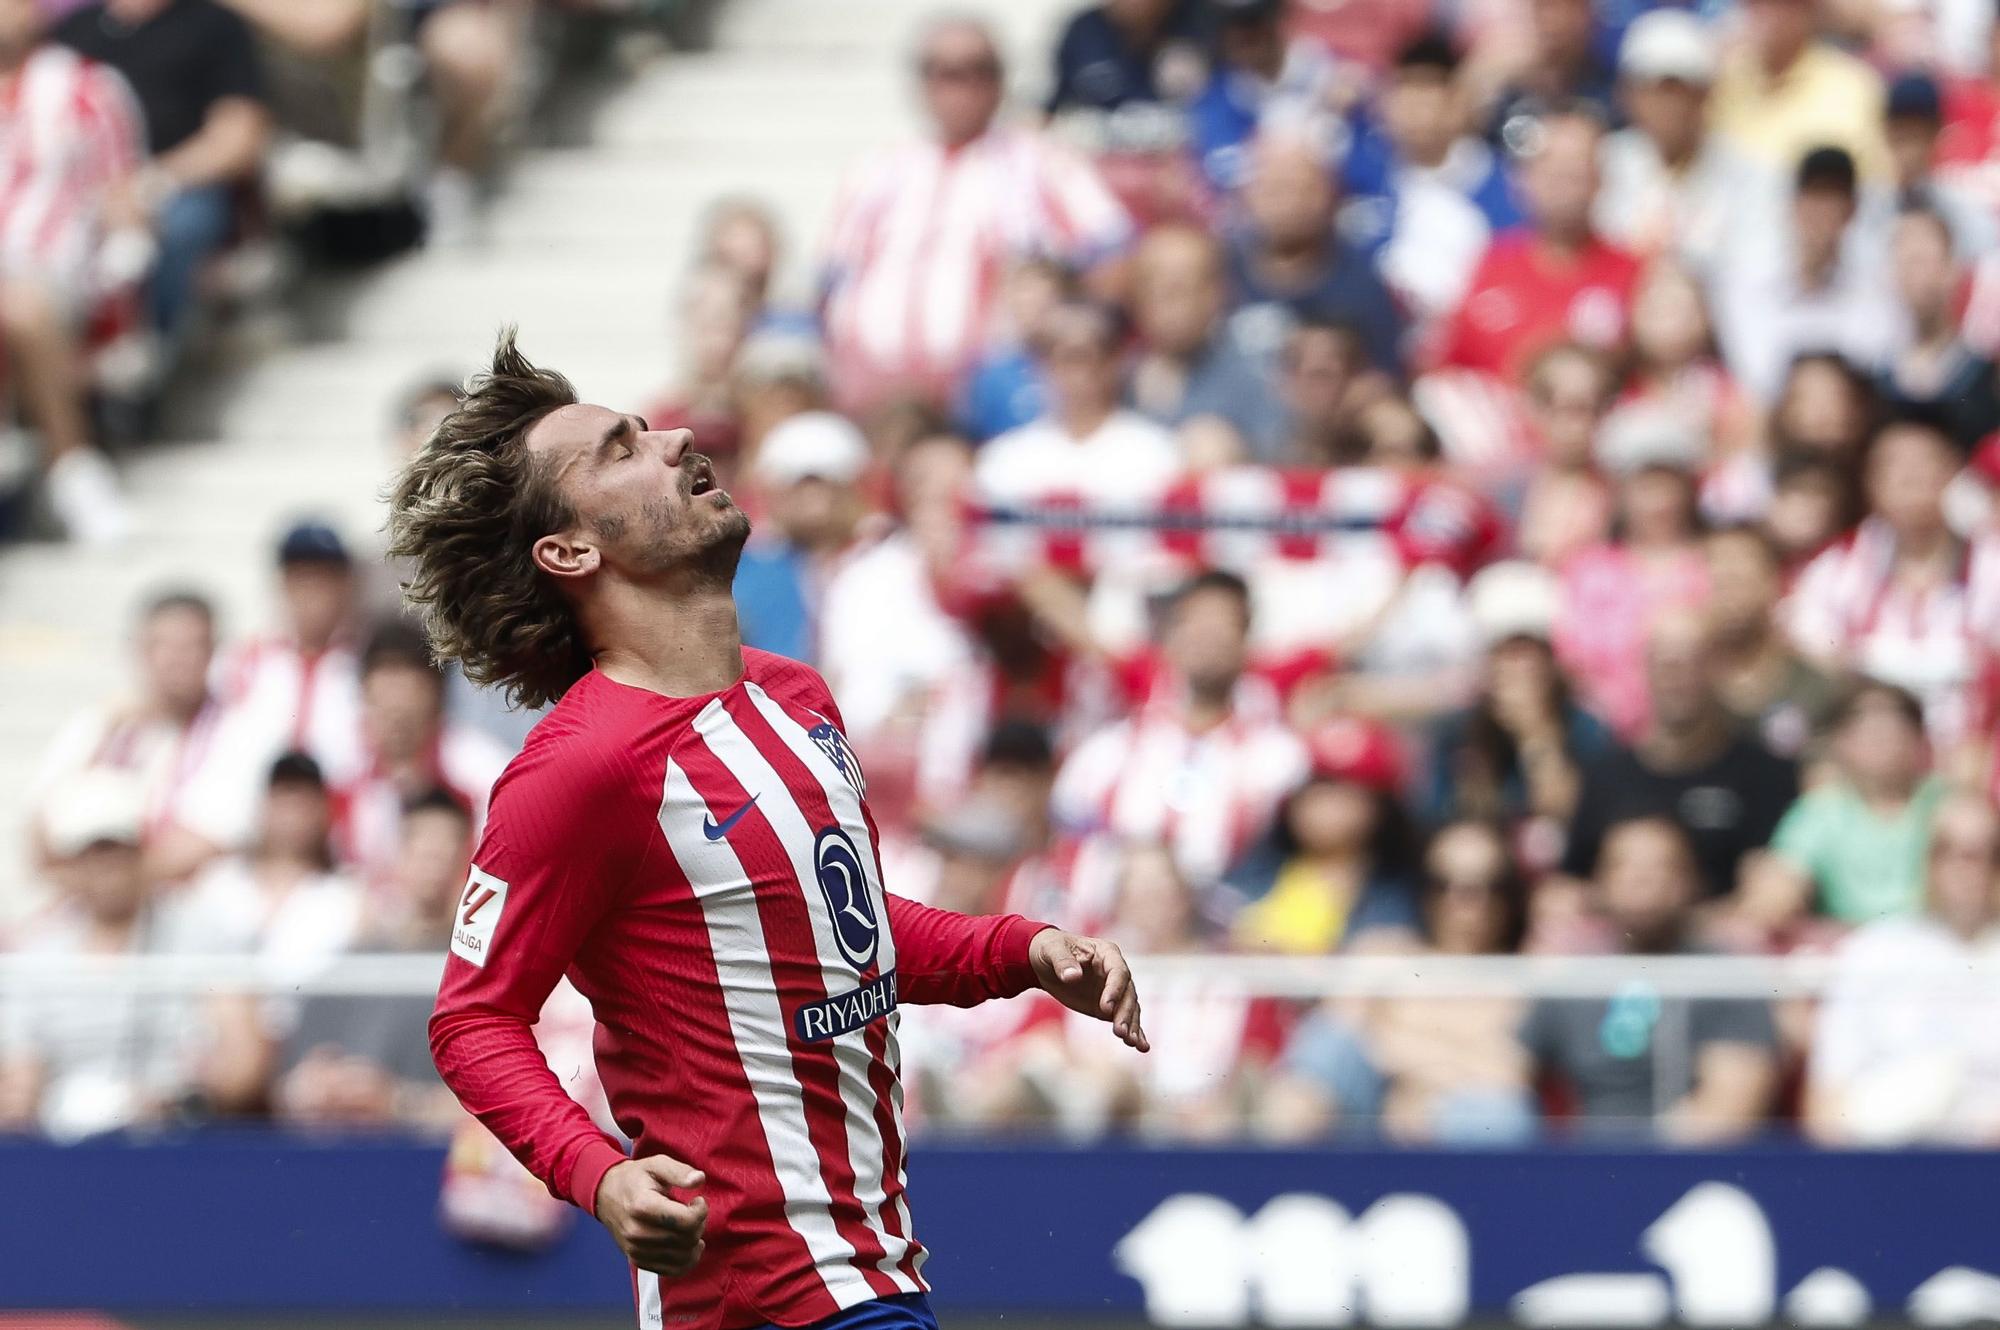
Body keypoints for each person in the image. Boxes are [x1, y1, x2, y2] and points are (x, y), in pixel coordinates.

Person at [386, 331, 1148, 1329]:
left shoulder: (798, 697)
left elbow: (841, 933)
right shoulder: (579, 767)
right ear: (570, 550)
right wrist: (598, 1175)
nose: (676, 439)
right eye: (620, 449)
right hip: (762, 1299)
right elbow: (472, 1017)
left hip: (871, 1268)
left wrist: (1021, 950)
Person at [819, 16, 1130, 412]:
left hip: (993, 396)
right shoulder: (876, 170)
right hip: (874, 398)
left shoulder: (1043, 161)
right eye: (947, 73)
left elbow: (1112, 257)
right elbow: (831, 278)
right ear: (923, 83)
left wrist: (1056, 339)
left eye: (980, 70)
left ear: (1001, 80)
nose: (964, 87)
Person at [0, 769, 269, 1139]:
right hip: (66, 1146)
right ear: (70, 865)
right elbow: (21, 1075)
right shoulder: (38, 957)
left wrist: (180, 1102)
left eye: (118, 849)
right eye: (92, 852)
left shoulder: (204, 933)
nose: (107, 867)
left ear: (142, 852)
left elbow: (243, 1062)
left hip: (180, 1139)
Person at [1050, 570, 1309, 923]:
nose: (1209, 637)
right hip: (1112, 931)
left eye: (1224, 624)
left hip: (1223, 938)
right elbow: (1069, 842)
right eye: (1196, 623)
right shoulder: (1107, 750)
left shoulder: (1279, 755)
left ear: (1247, 642)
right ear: (1168, 639)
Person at [1260, 819, 1535, 1144]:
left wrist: (1412, 1075)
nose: (1464, 903)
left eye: (1487, 886)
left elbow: (1506, 1079)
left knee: (1495, 1117)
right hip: (1373, 1107)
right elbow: (1336, 1037)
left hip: (1454, 1121)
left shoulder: (1525, 975)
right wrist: (1435, 1065)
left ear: (1509, 895)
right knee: (1319, 1061)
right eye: (1443, 883)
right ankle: (1271, 1179)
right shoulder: (1381, 949)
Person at [1522, 816, 1779, 1142]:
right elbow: (1508, 1065)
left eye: (1662, 866)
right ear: (1598, 883)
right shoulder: (1575, 975)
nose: (1642, 879)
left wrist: (1639, 1161)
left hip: (1686, 1166)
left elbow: (1732, 1103)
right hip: (1582, 1164)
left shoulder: (1726, 975)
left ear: (1691, 882)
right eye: (1623, 865)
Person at [0, 0, 147, 543]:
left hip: (56, 269)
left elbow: (120, 187)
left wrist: (127, 255)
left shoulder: (87, 87)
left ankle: (73, 468)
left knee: (19, 303)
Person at [1785, 410, 2000, 760]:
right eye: (1893, 465)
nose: (1909, 477)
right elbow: (1813, 660)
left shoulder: (1991, 563)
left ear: (1955, 474)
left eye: (1924, 462)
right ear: (1870, 482)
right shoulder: (1837, 570)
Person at [53, 0, 270, 346]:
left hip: (177, 185)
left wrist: (147, 183)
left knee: (174, 232)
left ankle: (148, 353)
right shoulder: (74, 30)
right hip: (74, 186)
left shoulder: (213, 23)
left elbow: (238, 139)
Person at [1559, 613, 1799, 900]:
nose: (1677, 678)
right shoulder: (1604, 776)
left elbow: (1775, 892)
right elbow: (1571, 883)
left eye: (1692, 663)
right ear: (1644, 670)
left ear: (1718, 669)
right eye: (1666, 665)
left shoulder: (1767, 775)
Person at [1806, 792, 2000, 1145]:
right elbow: (1826, 1106)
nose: (1965, 866)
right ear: (1925, 860)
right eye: (1947, 850)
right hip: (1890, 1164)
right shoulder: (1872, 952)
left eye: (1983, 853)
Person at [1434, 106, 1641, 383]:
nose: (1563, 182)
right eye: (1549, 166)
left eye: (1576, 168)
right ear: (1524, 178)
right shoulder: (1491, 262)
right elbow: (1449, 367)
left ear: (1600, 179)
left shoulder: (1633, 271)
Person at [28, 589, 222, 882]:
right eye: (164, 645)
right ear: (140, 650)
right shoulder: (97, 724)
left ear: (212, 652)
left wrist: (111, 885)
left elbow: (212, 841)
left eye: (190, 646)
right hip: (93, 904)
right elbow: (39, 836)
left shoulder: (234, 729)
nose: (177, 659)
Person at [1339, 30, 1518, 325]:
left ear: (1459, 102)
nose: (1416, 113)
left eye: (1429, 95)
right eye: (1406, 93)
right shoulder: (1358, 172)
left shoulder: (1501, 186)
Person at [1742, 682, 1947, 935]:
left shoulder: (1949, 805)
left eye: (1894, 725)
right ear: (1840, 741)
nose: (1881, 738)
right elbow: (1775, 894)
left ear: (1918, 737)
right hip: (1846, 956)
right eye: (1865, 727)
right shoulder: (1819, 812)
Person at [1713, 146, 1905, 404]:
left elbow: (1873, 362)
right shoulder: (1747, 279)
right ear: (1793, 205)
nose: (1822, 212)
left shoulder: (1878, 286)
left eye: (1834, 200)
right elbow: (1754, 375)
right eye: (1814, 197)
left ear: (1852, 211)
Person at [1595, 9, 1769, 277]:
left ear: (1706, 94)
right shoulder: (1603, 164)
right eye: (1653, 90)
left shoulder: (1745, 174)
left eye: (1680, 90)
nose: (1668, 106)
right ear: (1627, 95)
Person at [333, 623, 511, 885]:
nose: (396, 713)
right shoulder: (344, 775)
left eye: (408, 696)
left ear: (436, 695)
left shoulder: (482, 772)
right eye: (383, 699)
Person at [1224, 123, 1408, 373]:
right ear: (1248, 196)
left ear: (1332, 196)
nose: (1290, 204)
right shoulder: (1220, 275)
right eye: (1276, 190)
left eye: (1304, 190)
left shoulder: (1362, 287)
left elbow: (1384, 380)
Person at [1229, 716, 1422, 954]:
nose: (1323, 806)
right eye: (1314, 787)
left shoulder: (1398, 893)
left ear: (1380, 807)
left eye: (1343, 791)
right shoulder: (1257, 868)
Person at [1125, 222, 1284, 455]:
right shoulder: (1115, 378)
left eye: (1182, 288)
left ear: (1217, 294)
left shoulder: (1259, 376)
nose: (1168, 303)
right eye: (1153, 286)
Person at [732, 411, 875, 664]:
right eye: (798, 485)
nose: (814, 500)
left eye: (825, 483)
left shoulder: (890, 561)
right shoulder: (744, 569)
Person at [1708, 0, 1888, 184]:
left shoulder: (1853, 86)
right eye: (1755, 3)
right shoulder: (1723, 79)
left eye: (1782, 4)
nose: (1766, 12)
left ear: (1809, 10)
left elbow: (1870, 185)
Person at [1701, 524, 1838, 760]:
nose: (1731, 597)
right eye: (1721, 584)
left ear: (1774, 583)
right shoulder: (1685, 686)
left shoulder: (1814, 684)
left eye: (1740, 581)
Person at [1877, 206, 2000, 452]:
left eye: (1922, 261)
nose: (1913, 276)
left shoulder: (1986, 378)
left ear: (1953, 270)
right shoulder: (1877, 379)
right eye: (1903, 262)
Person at [1044, 0, 1209, 115]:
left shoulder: (1199, 25)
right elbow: (1053, 106)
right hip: (1095, 155)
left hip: (1180, 155)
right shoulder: (1082, 33)